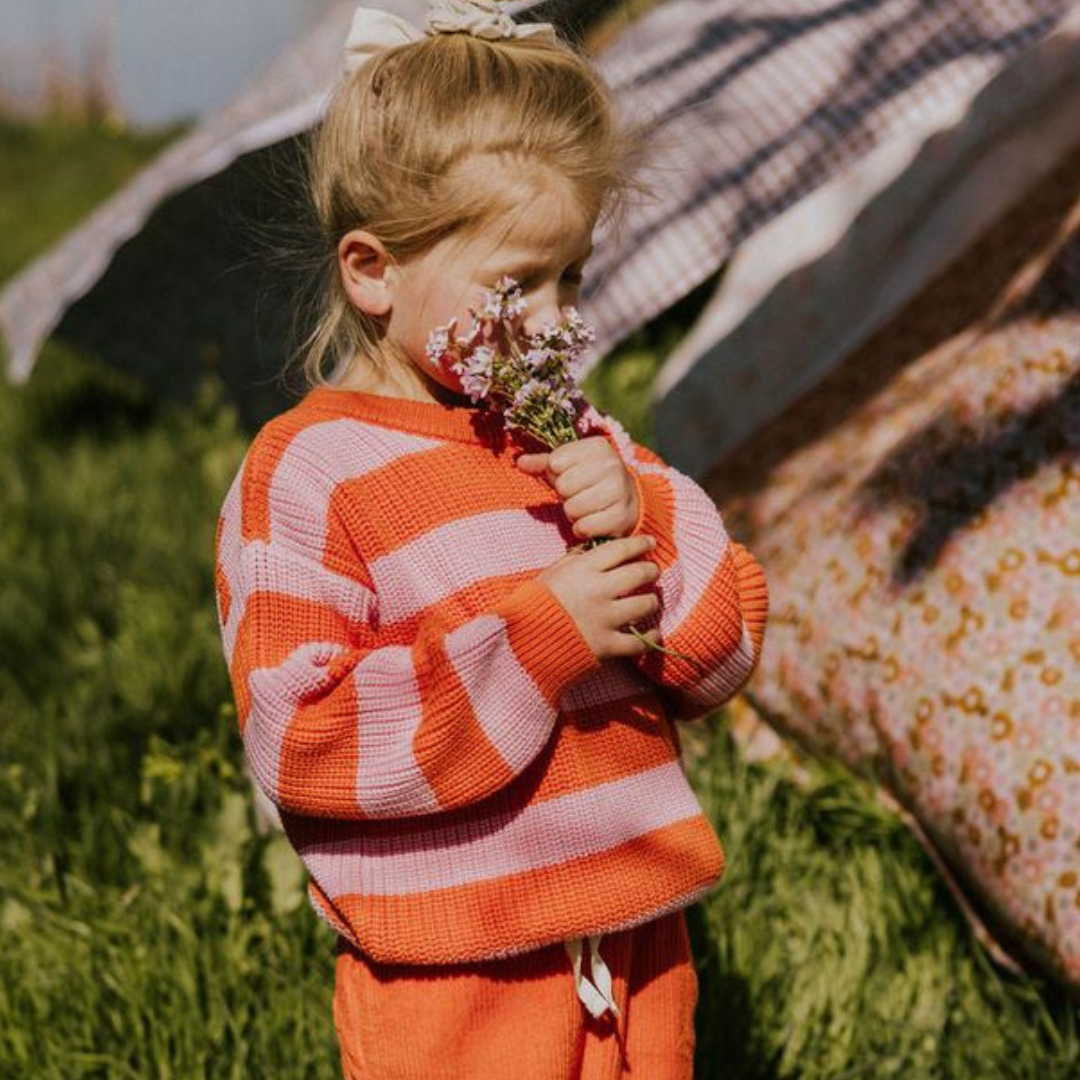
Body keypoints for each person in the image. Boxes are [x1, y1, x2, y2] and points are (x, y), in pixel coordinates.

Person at [213, 3, 768, 1077]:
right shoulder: (310, 473)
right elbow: (304, 738)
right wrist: (536, 641)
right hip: (457, 979)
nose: (557, 322)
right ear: (372, 270)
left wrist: (644, 518)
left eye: (575, 276)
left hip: (640, 944)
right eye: (519, 284)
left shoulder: (574, 439)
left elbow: (725, 649)